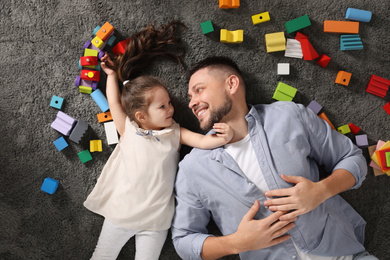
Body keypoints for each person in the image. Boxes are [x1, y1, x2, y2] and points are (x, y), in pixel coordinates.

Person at [171, 56, 378, 260]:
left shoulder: (290, 116)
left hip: (343, 254)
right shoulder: (192, 168)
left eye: (199, 90)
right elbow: (183, 241)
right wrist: (235, 243)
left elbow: (352, 158)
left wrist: (320, 191)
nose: (192, 103)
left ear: (231, 84)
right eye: (189, 97)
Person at [83, 23, 234, 260]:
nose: (171, 109)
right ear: (142, 116)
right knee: (103, 255)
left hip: (156, 221)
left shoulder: (176, 132)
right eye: (162, 106)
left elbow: (202, 142)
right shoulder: (128, 130)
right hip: (122, 214)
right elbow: (113, 103)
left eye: (170, 103)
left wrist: (223, 137)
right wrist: (111, 75)